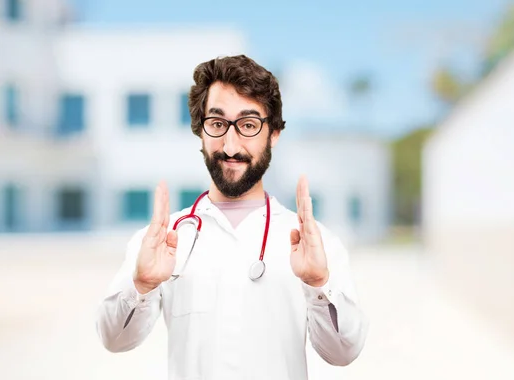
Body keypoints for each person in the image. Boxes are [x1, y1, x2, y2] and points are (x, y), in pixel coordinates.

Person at [95, 54, 369, 380]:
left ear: (274, 135)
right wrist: (141, 284)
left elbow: (344, 353)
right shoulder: (164, 238)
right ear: (200, 131)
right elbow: (114, 339)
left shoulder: (315, 244)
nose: (230, 144)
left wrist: (318, 284)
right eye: (217, 123)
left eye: (249, 125)